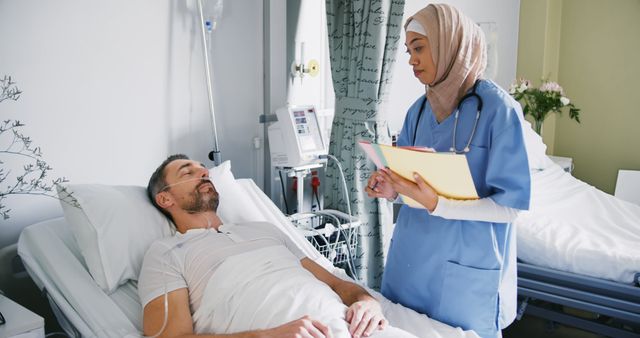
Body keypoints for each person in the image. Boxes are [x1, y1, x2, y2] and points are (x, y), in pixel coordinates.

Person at [365, 4, 530, 338]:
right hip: (410, 263)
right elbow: (411, 188)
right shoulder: (419, 110)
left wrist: (439, 204)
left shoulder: (500, 111)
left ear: (449, 43)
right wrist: (392, 191)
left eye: (419, 48)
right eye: (408, 50)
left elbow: (511, 207)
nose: (411, 59)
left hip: (463, 274)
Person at [139, 154, 417, 338]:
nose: (204, 173)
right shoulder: (166, 254)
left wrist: (367, 303)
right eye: (189, 171)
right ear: (165, 199)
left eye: (204, 169)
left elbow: (337, 284)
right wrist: (269, 335)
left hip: (356, 329)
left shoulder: (263, 229)